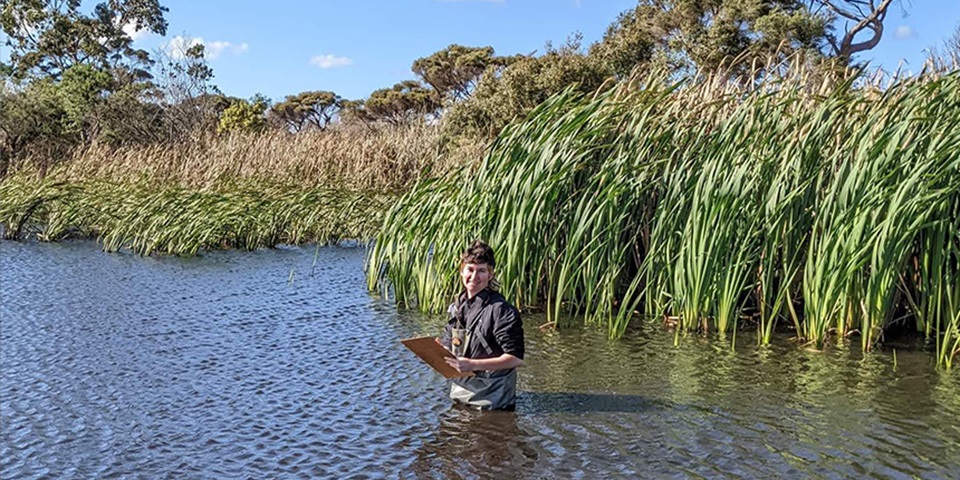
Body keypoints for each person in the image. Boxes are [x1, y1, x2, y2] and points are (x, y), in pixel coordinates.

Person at [440, 240, 525, 411]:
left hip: (493, 396)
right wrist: (438, 350)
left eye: (482, 271)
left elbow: (516, 359)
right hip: (461, 390)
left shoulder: (502, 310)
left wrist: (473, 365)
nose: (474, 276)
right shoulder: (458, 305)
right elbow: (450, 344)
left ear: (490, 275)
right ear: (462, 271)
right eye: (470, 269)